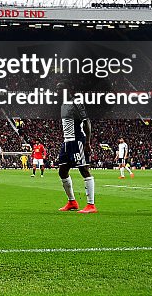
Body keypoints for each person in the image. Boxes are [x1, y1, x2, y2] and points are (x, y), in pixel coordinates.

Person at [56, 82, 96, 214]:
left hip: (77, 140)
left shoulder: (76, 103)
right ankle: (72, 202)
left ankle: (91, 205)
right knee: (62, 171)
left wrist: (87, 143)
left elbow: (87, 122)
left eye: (60, 89)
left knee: (84, 169)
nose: (57, 91)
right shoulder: (63, 105)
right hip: (67, 142)